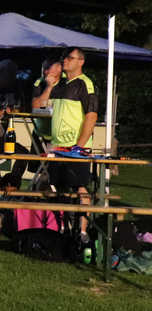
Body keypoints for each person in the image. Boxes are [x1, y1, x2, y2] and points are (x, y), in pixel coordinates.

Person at [48, 47, 98, 239]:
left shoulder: (85, 84)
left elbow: (91, 116)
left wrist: (80, 145)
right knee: (60, 188)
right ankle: (64, 226)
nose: (65, 60)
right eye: (64, 57)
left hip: (76, 148)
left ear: (80, 62)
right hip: (58, 146)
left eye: (70, 57)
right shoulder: (60, 84)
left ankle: (82, 231)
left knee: (81, 188)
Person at [31, 55, 63, 151]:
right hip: (40, 133)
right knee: (35, 160)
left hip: (60, 135)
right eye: (44, 68)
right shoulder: (40, 82)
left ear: (60, 68)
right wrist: (48, 87)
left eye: (49, 68)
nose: (46, 72)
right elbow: (35, 107)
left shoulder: (66, 83)